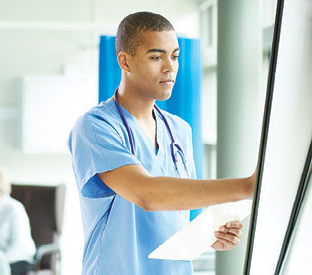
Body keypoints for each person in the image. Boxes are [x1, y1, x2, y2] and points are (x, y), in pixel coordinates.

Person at [67, 11, 256, 274]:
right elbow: (148, 194)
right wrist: (248, 186)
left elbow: (175, 209)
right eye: (156, 56)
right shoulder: (95, 127)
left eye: (175, 55)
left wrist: (207, 235)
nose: (170, 67)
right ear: (125, 61)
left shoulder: (180, 130)